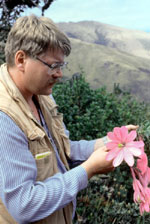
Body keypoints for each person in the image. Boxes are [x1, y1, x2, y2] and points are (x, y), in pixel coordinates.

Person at [0, 14, 122, 224]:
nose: (59, 74)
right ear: (21, 60)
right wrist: (88, 169)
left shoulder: (41, 95)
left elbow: (61, 151)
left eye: (61, 66)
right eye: (53, 65)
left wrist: (111, 142)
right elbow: (23, 205)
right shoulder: (4, 117)